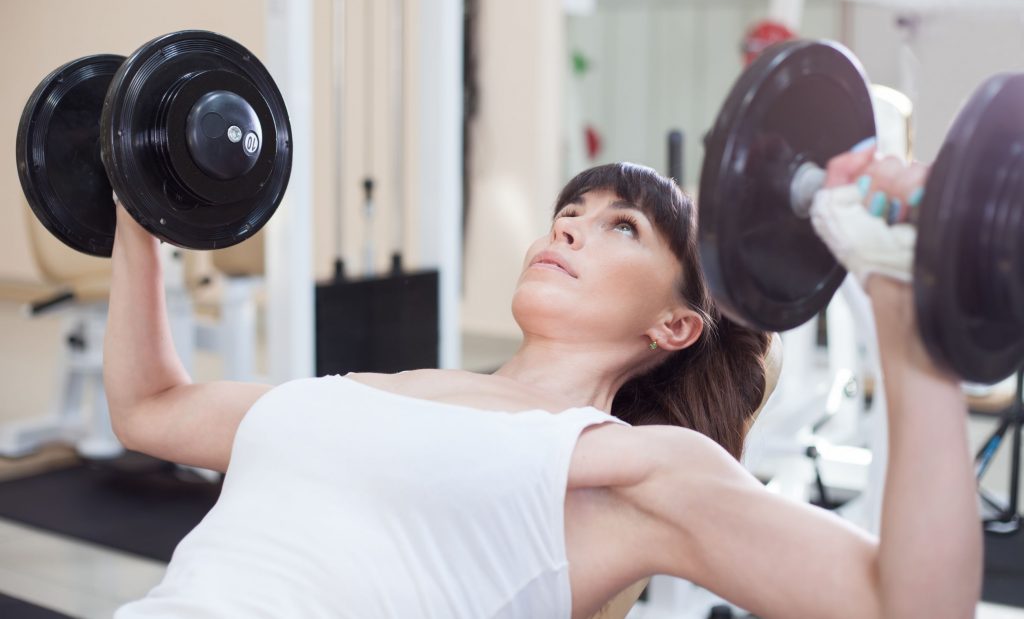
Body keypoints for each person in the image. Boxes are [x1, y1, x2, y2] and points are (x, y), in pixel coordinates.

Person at [105, 152, 980, 618]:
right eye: (569, 214)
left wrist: (909, 310)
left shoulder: (629, 469)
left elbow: (911, 606)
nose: (568, 229)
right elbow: (152, 406)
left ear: (674, 326)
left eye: (620, 226)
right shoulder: (387, 387)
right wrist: (137, 212)